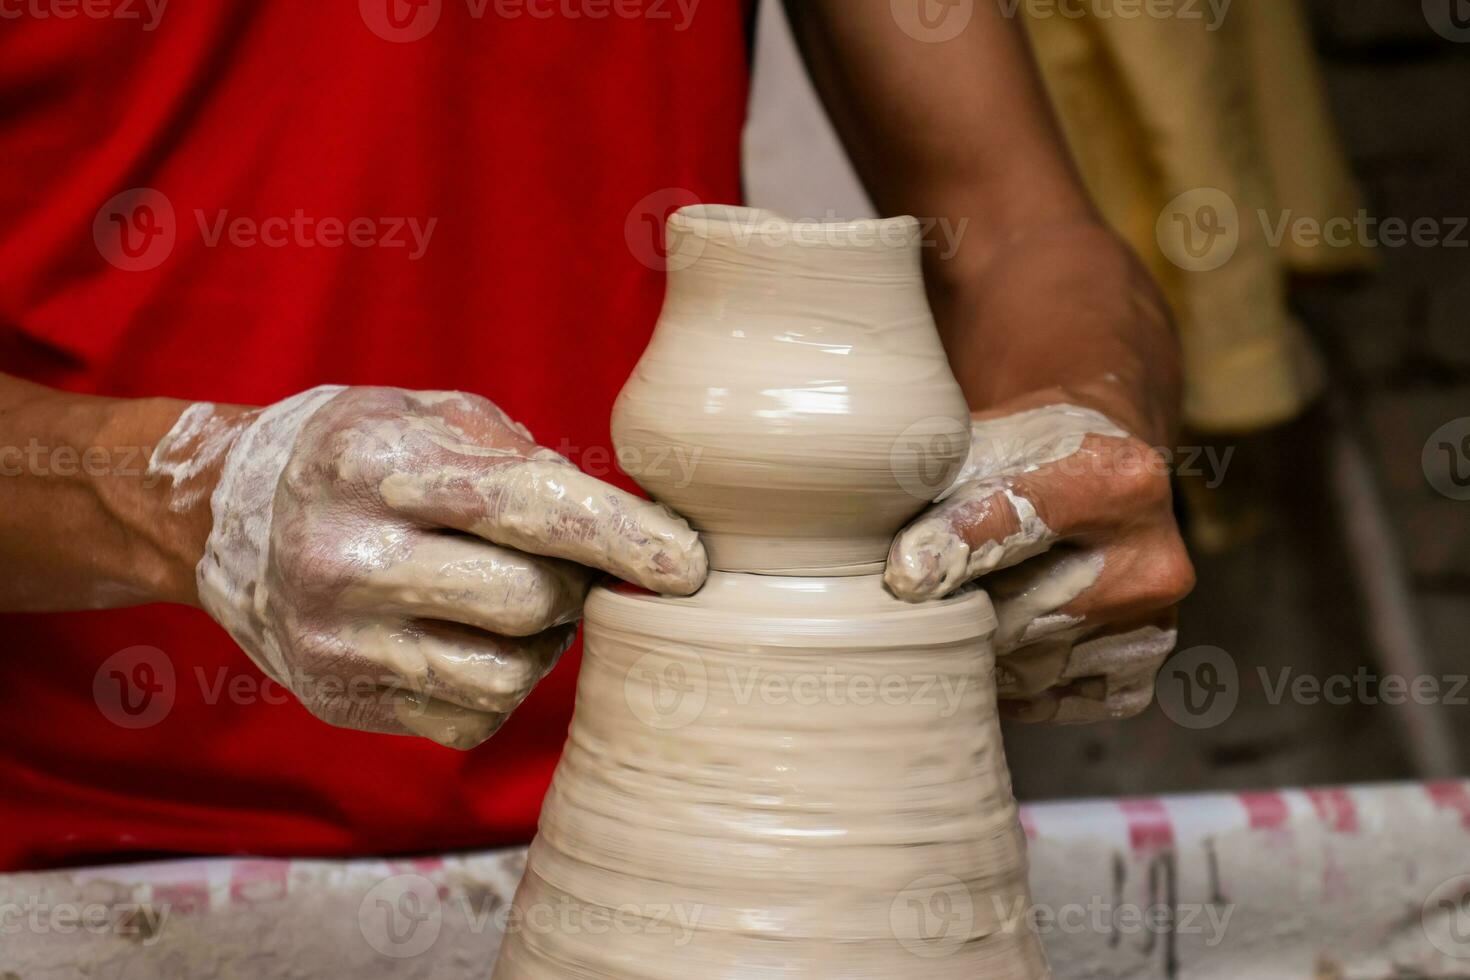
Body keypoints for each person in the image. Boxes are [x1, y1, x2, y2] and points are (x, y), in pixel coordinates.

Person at [0, 0, 1194, 872]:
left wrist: (1087, 415)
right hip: (93, 849)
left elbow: (1017, 229)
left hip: (699, 824)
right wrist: (193, 496)